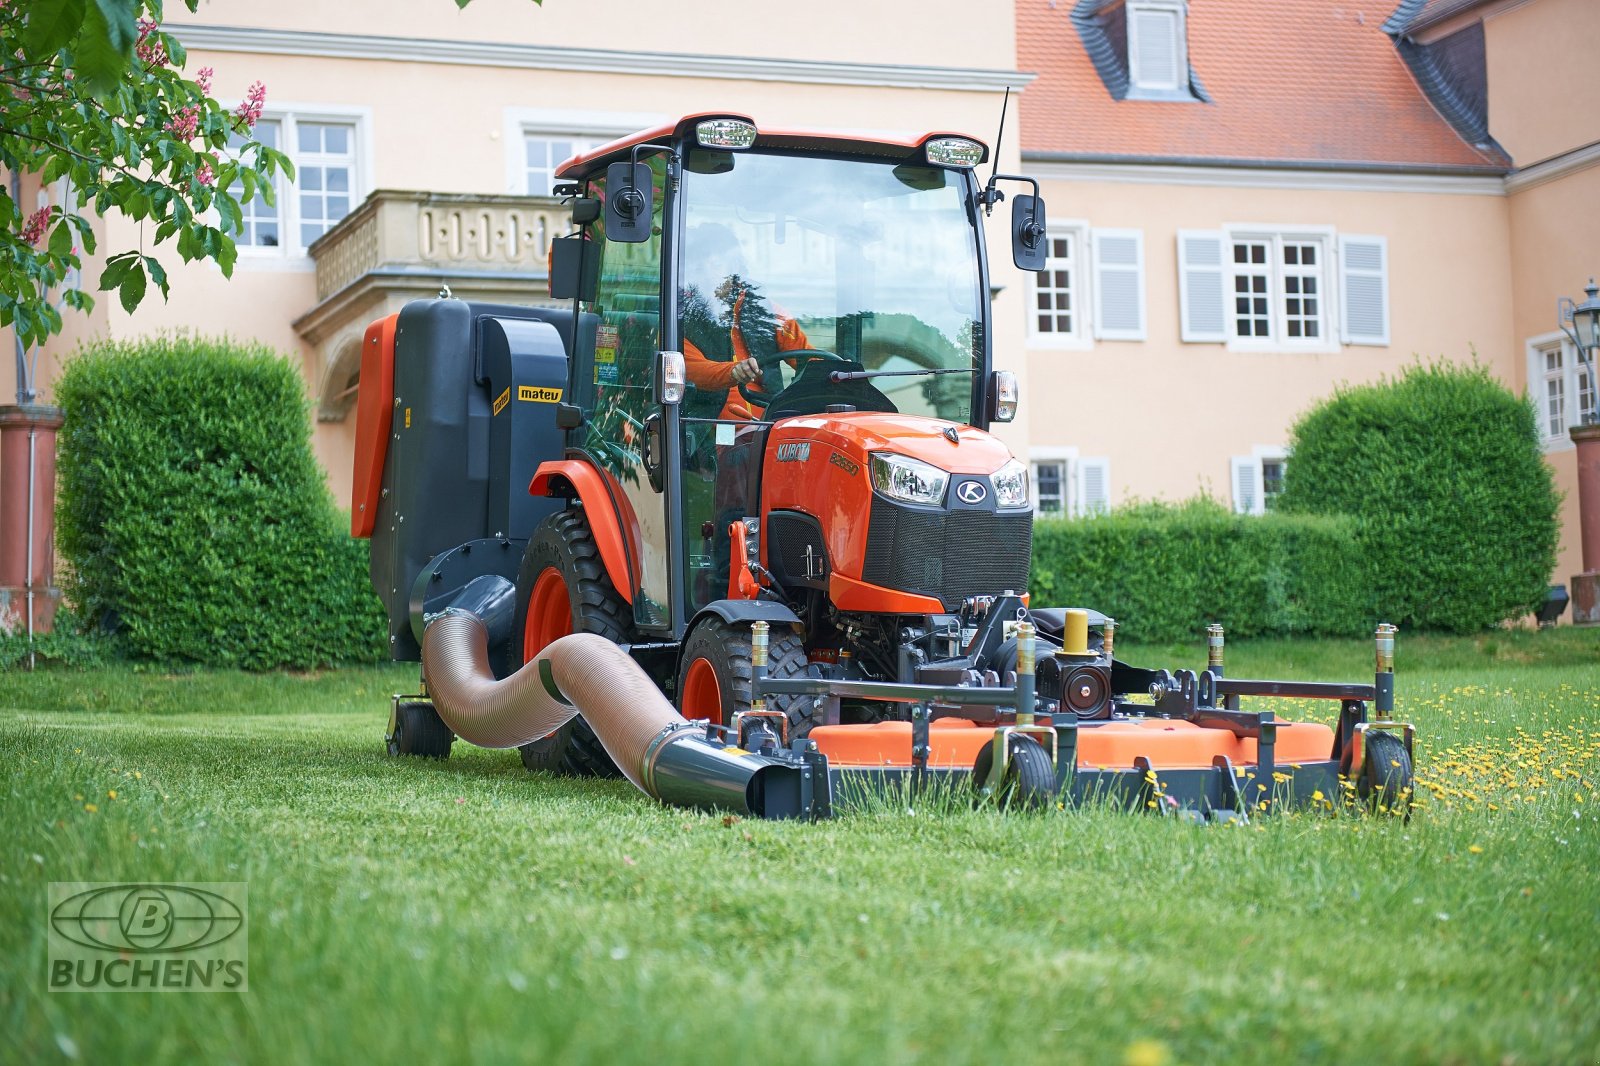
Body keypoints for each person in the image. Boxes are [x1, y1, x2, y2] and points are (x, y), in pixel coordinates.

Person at [679, 223, 810, 421]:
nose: (707, 273)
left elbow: (809, 360)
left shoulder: (769, 312)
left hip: (769, 428)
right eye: (698, 267)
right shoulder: (679, 317)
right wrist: (734, 372)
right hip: (706, 431)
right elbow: (691, 370)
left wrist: (838, 371)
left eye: (715, 264)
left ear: (734, 269)